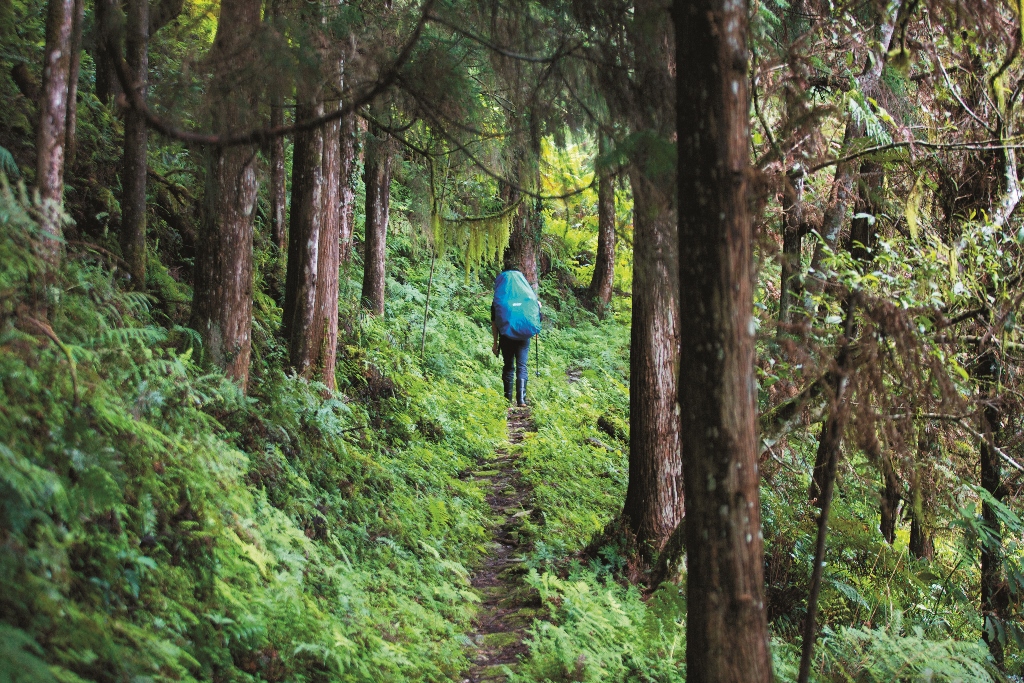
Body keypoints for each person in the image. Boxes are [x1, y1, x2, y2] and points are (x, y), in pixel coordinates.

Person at [490, 269, 541, 407]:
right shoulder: (528, 297)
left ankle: (507, 400)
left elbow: (495, 324)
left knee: (508, 366)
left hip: (506, 337)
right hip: (524, 337)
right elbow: (536, 317)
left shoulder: (500, 300)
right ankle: (521, 400)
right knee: (522, 366)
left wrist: (495, 343)